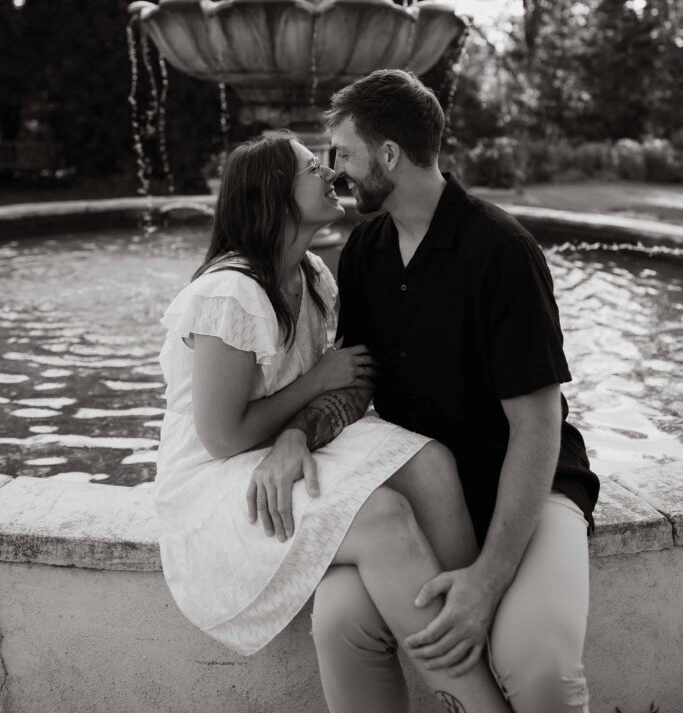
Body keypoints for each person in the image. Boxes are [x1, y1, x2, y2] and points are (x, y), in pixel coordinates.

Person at [248, 71, 601, 713]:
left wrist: (487, 581)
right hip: (424, 497)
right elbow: (357, 384)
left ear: (388, 155)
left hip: (529, 484)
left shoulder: (502, 251)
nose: (335, 173)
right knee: (338, 624)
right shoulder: (364, 253)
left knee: (538, 667)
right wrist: (298, 432)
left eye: (344, 154)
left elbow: (538, 426)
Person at [153, 129, 511, 712]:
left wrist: (301, 430)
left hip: (278, 448)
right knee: (383, 516)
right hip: (218, 484)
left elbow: (351, 383)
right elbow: (221, 438)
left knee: (431, 460)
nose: (330, 173)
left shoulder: (313, 276)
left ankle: (483, 630)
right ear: (277, 196)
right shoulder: (228, 293)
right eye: (310, 169)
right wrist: (318, 383)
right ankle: (475, 702)